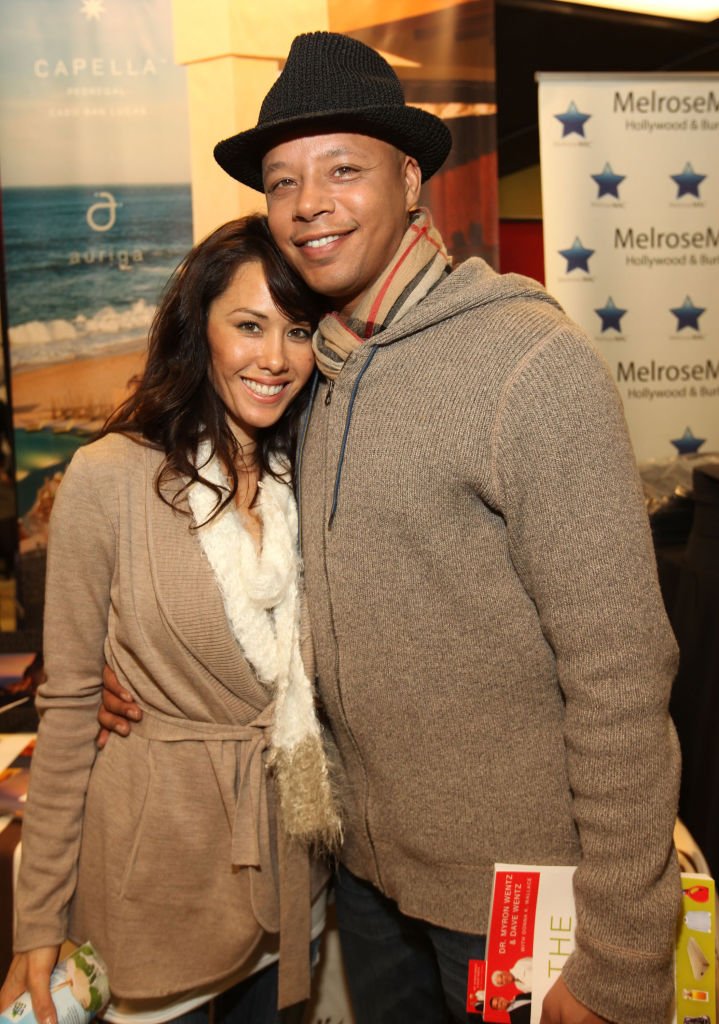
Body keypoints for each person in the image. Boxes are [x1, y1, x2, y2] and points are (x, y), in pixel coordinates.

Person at [99, 31, 681, 1024]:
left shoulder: (528, 366)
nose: (307, 203)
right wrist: (143, 673)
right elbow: (272, 579)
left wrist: (621, 950)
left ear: (410, 179)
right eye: (282, 182)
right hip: (364, 884)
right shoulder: (308, 373)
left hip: (512, 902)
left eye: (340, 170)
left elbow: (620, 671)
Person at [0, 215, 341, 1024]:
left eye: (297, 331)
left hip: (290, 864)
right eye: (248, 326)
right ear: (201, 330)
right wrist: (38, 919)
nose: (275, 359)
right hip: (157, 872)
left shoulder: (319, 467)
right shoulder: (110, 475)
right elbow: (75, 701)